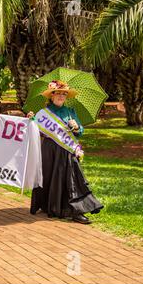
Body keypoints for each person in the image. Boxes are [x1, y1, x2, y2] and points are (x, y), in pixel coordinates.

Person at [27, 80, 103, 224]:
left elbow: (80, 132)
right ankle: (45, 205)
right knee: (48, 176)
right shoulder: (43, 113)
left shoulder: (70, 112)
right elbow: (34, 130)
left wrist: (76, 127)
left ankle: (77, 211)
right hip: (49, 149)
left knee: (73, 179)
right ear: (52, 95)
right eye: (58, 93)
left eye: (64, 94)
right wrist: (31, 119)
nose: (61, 96)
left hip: (66, 150)